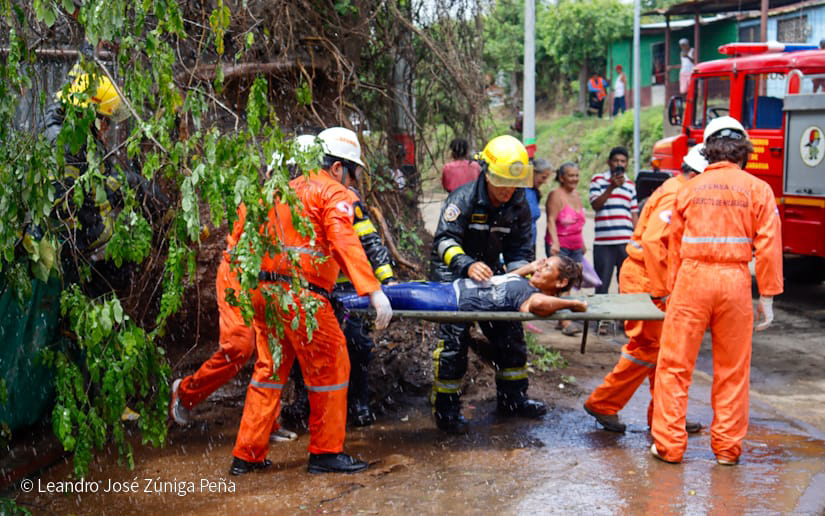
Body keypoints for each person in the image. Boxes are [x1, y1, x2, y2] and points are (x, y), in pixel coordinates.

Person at [230, 127, 393, 476]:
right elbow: (344, 240)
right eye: (353, 173)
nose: (353, 182)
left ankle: (247, 455)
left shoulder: (279, 190)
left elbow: (243, 238)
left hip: (264, 294)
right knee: (331, 366)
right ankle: (326, 453)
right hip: (302, 297)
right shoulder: (331, 191)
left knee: (269, 372)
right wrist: (373, 289)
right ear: (337, 168)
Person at [650, 117, 783, 466]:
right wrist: (767, 295)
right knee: (733, 370)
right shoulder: (758, 189)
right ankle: (727, 449)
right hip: (734, 283)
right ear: (743, 150)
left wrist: (670, 290)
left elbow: (673, 245)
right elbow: (769, 246)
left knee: (675, 366)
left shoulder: (688, 189)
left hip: (691, 280)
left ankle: (669, 446)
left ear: (707, 150)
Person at [584, 144, 708, 434]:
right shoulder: (676, 194)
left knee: (662, 350)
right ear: (698, 175)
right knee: (648, 349)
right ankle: (604, 402)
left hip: (651, 278)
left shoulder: (676, 189)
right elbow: (653, 243)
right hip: (648, 280)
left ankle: (666, 415)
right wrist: (664, 289)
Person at [429, 134, 543, 435]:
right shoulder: (463, 199)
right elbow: (444, 241)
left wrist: (519, 281)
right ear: (486, 173)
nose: (508, 190)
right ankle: (447, 410)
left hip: (490, 273)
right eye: (502, 181)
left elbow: (520, 251)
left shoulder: (519, 204)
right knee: (454, 341)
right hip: (452, 275)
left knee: (509, 332)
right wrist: (466, 265)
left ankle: (513, 399)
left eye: (513, 183)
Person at [339, 256, 586, 317]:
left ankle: (334, 303)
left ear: (560, 282)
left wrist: (573, 304)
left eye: (546, 268)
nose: (540, 269)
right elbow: (505, 279)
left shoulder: (531, 297)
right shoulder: (523, 283)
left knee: (386, 295)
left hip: (450, 302)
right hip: (449, 289)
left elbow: (541, 304)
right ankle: (336, 297)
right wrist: (529, 266)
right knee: (390, 291)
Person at [589, 147, 638, 296]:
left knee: (625, 284)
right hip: (604, 243)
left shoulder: (630, 185)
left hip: (625, 242)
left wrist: (637, 239)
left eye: (622, 161)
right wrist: (611, 187)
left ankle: (622, 312)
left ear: (627, 164)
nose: (619, 164)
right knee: (601, 285)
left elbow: (634, 214)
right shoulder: (598, 180)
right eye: (616, 160)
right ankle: (600, 311)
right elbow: (595, 205)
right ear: (609, 162)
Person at [546, 162, 586, 336]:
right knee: (561, 283)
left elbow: (579, 223)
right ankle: (564, 320)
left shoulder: (577, 195)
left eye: (576, 175)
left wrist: (582, 243)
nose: (574, 179)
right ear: (562, 178)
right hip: (560, 246)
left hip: (575, 246)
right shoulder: (555, 195)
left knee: (570, 283)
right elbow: (550, 219)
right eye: (571, 175)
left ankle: (563, 316)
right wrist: (555, 243)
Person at [526, 158, 553, 257]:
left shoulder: (534, 192)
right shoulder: (519, 191)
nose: (545, 181)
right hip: (520, 244)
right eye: (543, 177)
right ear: (532, 172)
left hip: (531, 242)